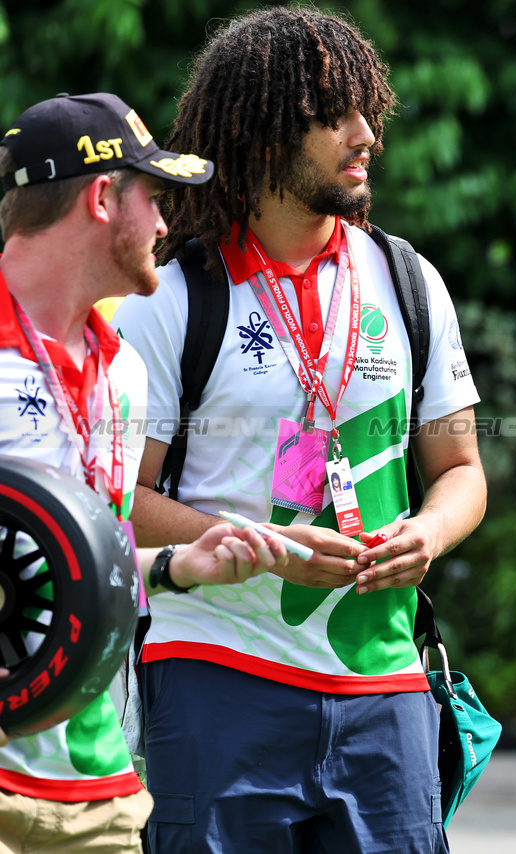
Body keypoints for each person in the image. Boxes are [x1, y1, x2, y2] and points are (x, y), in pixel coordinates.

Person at [113, 8, 485, 853]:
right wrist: (253, 545)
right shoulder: (172, 298)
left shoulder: (408, 279)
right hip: (217, 678)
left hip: (385, 685)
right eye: (334, 117)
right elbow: (119, 502)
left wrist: (428, 532)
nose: (366, 137)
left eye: (369, 113)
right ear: (265, 132)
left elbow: (462, 468)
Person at [0, 92, 284, 853]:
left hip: (99, 794)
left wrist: (178, 568)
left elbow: (78, 564)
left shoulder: (122, 371)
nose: (165, 224)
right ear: (101, 198)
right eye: (153, 198)